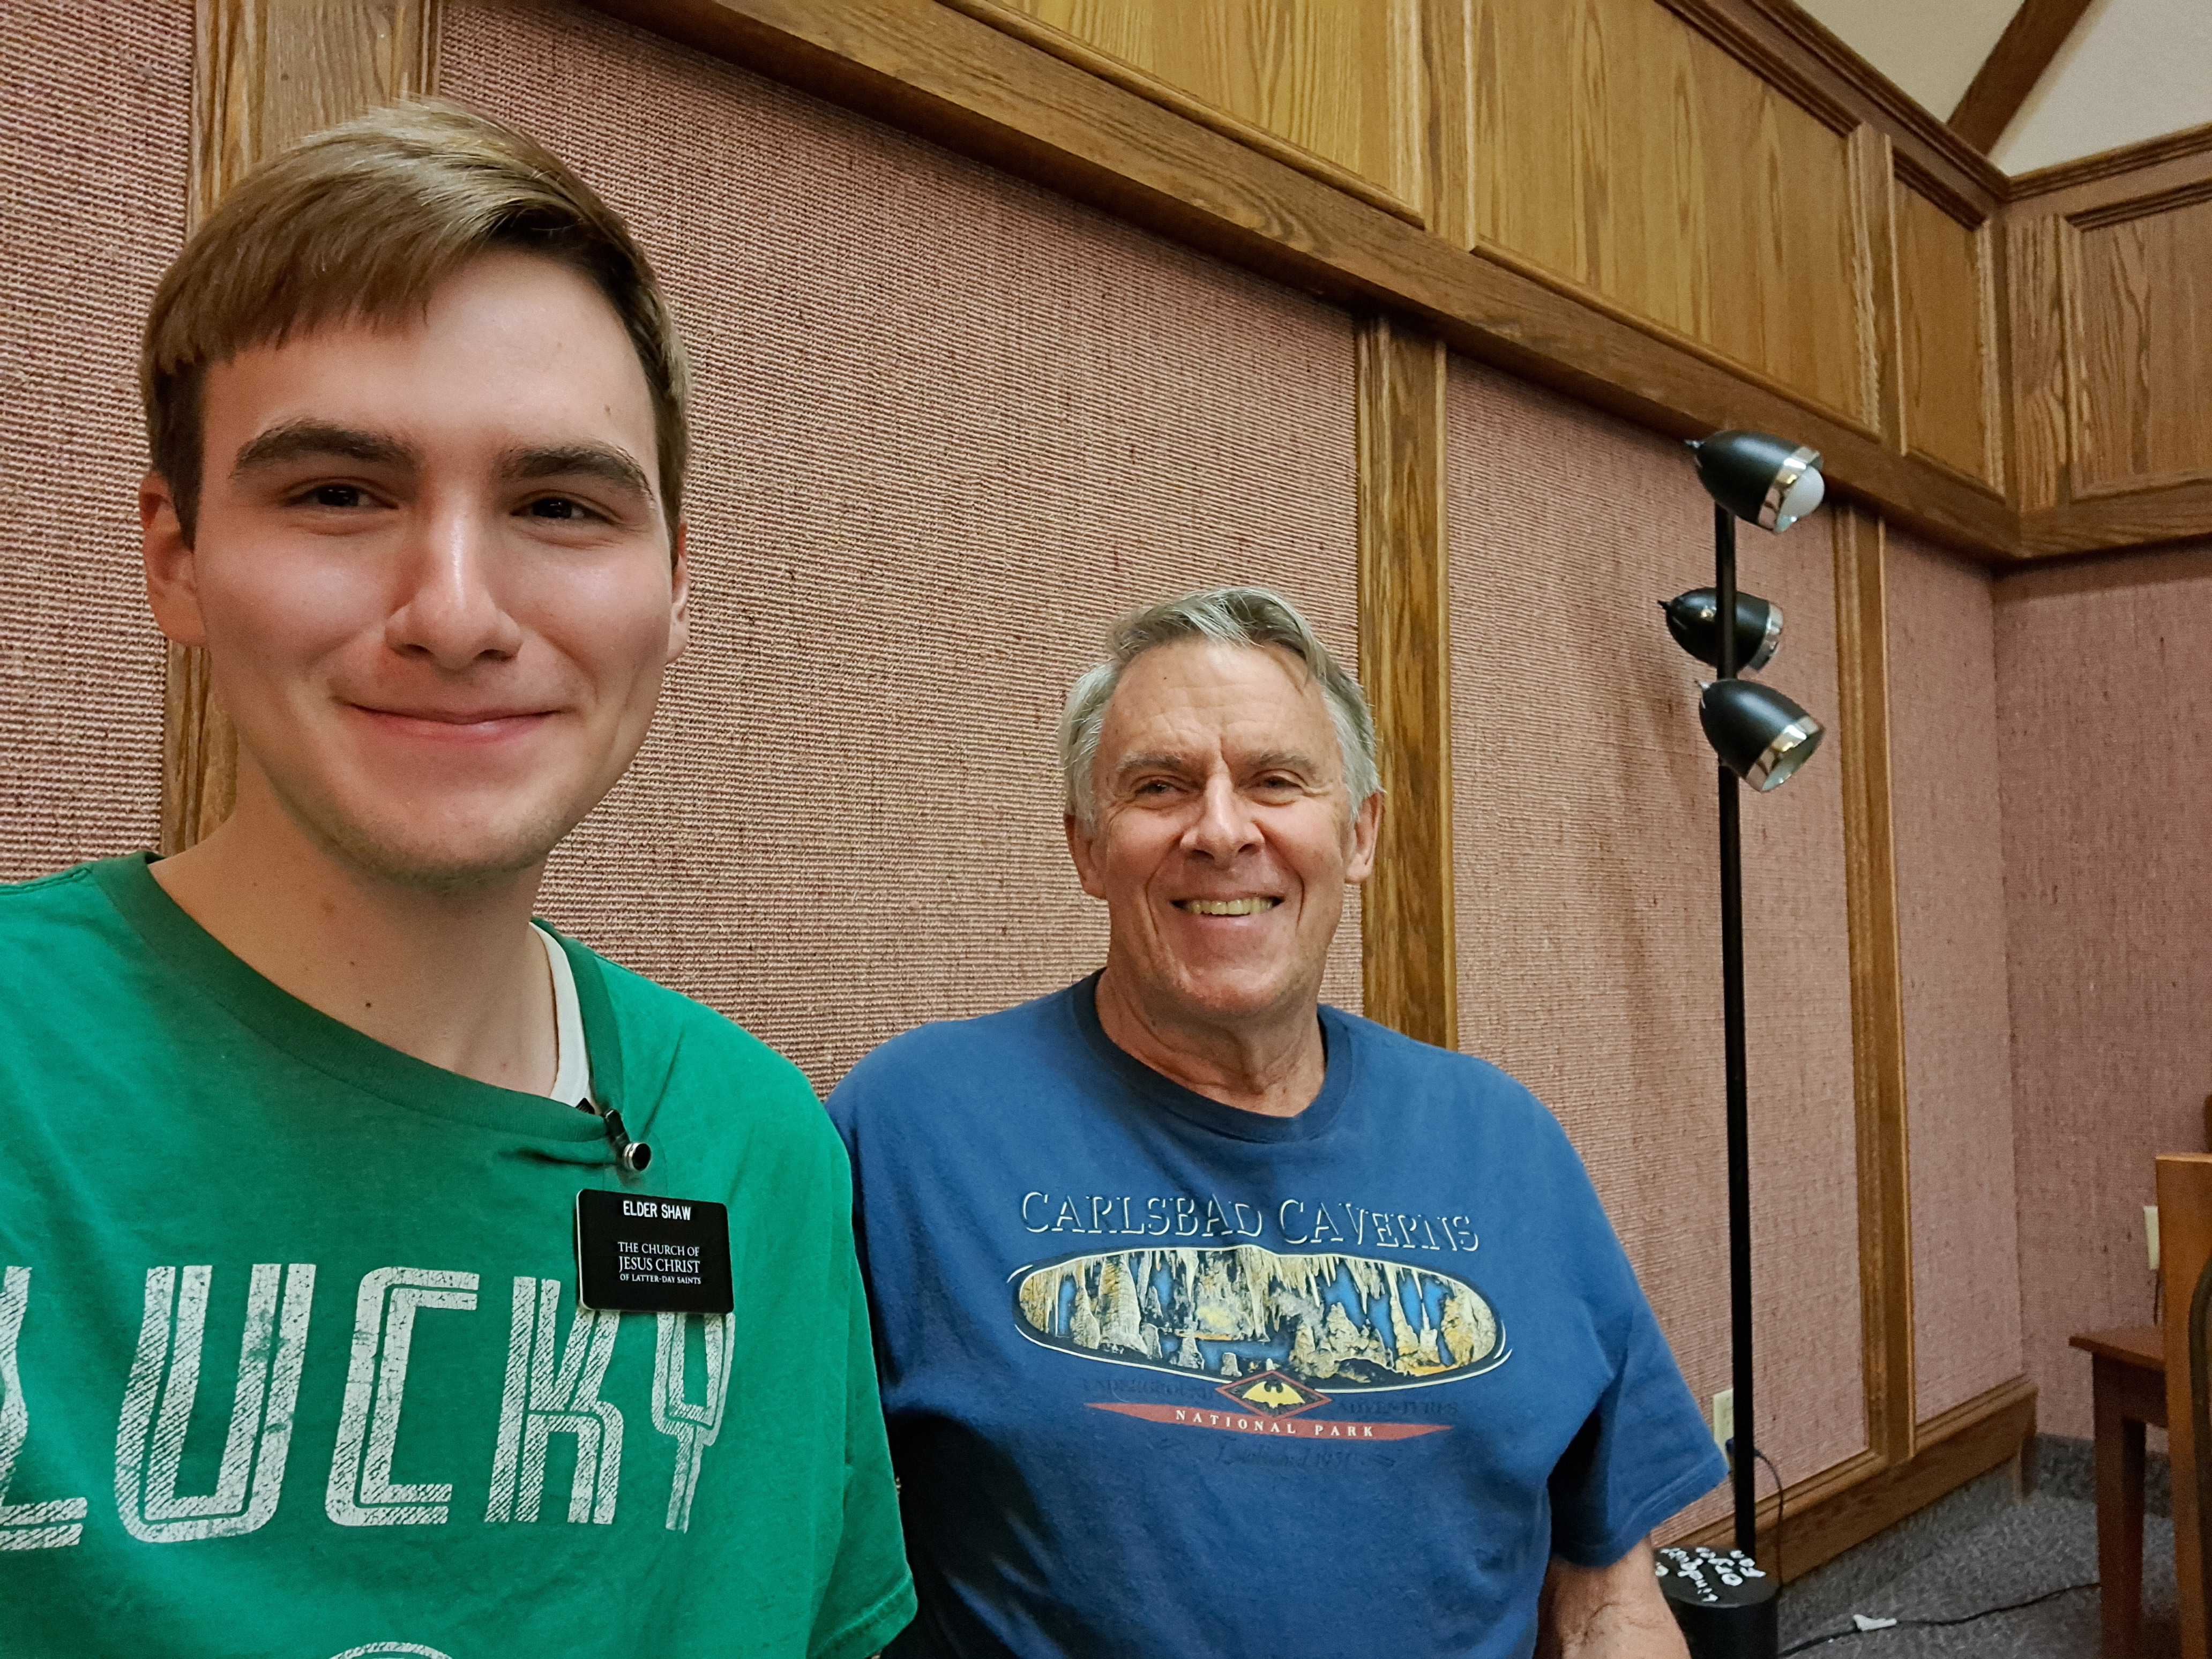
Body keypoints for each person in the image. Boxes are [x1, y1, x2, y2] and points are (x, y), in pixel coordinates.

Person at [0, 103, 911, 1659]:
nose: (457, 611)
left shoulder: (763, 1147)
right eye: (341, 493)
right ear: (176, 556)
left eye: (560, 506)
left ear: (674, 583)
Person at [828, 588, 1724, 1657]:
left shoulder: (1505, 1143)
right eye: (1160, 787)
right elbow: (779, 1550)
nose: (1219, 830)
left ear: (1359, 834)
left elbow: (1605, 1596)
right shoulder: (911, 1129)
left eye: (1276, 782)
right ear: (1085, 846)